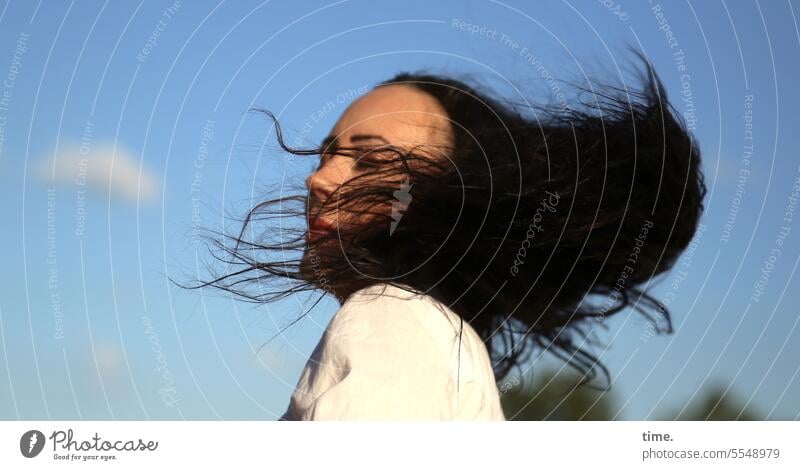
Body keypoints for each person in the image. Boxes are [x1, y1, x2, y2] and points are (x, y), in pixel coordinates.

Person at [191, 52, 706, 420]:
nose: (318, 180)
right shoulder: (436, 338)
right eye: (327, 153)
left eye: (370, 160)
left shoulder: (391, 319)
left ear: (444, 197)